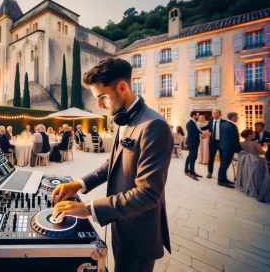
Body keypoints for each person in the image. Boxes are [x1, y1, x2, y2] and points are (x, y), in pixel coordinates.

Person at [51, 57, 173, 272]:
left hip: (138, 233)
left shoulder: (154, 125)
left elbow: (148, 194)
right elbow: (112, 164)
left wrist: (89, 209)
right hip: (119, 221)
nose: (99, 105)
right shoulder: (123, 118)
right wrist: (79, 184)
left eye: (102, 97)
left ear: (123, 87)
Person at [237, 129, 270, 203]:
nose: (255, 135)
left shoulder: (240, 143)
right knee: (265, 165)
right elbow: (262, 152)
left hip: (245, 163)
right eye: (253, 134)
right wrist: (266, 149)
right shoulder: (254, 143)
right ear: (249, 135)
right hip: (255, 163)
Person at [200, 109, 227, 179]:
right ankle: (209, 172)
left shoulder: (224, 122)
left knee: (223, 159)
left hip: (222, 142)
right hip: (212, 143)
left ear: (220, 114)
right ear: (212, 114)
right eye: (213, 113)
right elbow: (203, 128)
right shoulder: (210, 122)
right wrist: (196, 127)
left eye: (216, 113)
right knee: (211, 158)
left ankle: (222, 173)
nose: (215, 114)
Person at [218, 112, 242, 188]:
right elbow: (234, 140)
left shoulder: (223, 124)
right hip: (228, 148)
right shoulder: (232, 126)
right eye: (237, 117)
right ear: (233, 117)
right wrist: (240, 150)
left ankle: (224, 179)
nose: (238, 118)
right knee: (224, 164)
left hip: (222, 146)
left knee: (223, 164)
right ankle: (221, 181)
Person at [185, 111, 204, 180]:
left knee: (190, 156)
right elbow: (191, 134)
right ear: (193, 115)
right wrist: (201, 135)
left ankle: (186, 170)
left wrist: (201, 133)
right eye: (197, 115)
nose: (198, 116)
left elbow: (197, 131)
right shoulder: (190, 123)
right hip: (192, 142)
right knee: (193, 157)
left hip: (194, 142)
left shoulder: (194, 123)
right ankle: (191, 172)